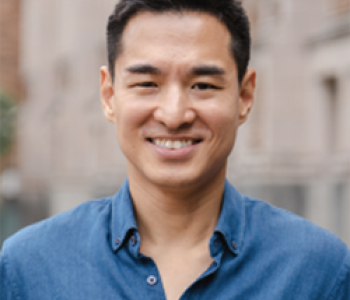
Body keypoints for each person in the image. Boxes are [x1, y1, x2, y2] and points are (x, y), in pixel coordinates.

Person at [1, 0, 349, 299]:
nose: (174, 115)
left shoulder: (319, 270)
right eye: (147, 84)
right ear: (109, 96)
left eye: (203, 85)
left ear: (244, 96)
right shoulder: (29, 268)